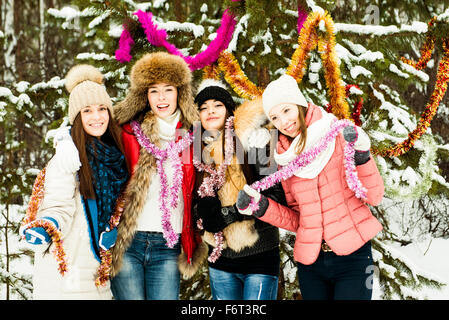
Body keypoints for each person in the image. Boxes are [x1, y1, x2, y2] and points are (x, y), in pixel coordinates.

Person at [236, 74, 384, 300]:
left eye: (286, 110)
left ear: (300, 104)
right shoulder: (284, 158)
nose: (283, 122)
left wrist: (362, 154)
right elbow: (298, 220)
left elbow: (374, 195)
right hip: (312, 264)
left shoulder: (337, 135)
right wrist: (261, 207)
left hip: (353, 257)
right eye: (275, 117)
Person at [20, 64, 129, 299]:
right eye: (87, 110)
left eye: (102, 108)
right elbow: (58, 204)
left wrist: (111, 229)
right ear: (77, 117)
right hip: (67, 270)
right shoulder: (67, 157)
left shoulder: (115, 156)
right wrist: (46, 225)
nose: (97, 116)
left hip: (98, 270)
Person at [109, 51, 207, 300]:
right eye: (154, 90)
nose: (161, 97)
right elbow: (91, 135)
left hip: (168, 244)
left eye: (168, 89)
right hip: (129, 242)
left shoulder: (196, 136)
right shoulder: (128, 132)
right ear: (145, 96)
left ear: (180, 93)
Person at [193, 79, 286, 300]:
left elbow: (277, 197)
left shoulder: (254, 139)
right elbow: (189, 203)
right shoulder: (196, 151)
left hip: (259, 256)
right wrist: (204, 214)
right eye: (203, 108)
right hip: (221, 261)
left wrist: (230, 213)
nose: (210, 112)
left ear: (229, 109)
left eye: (217, 105)